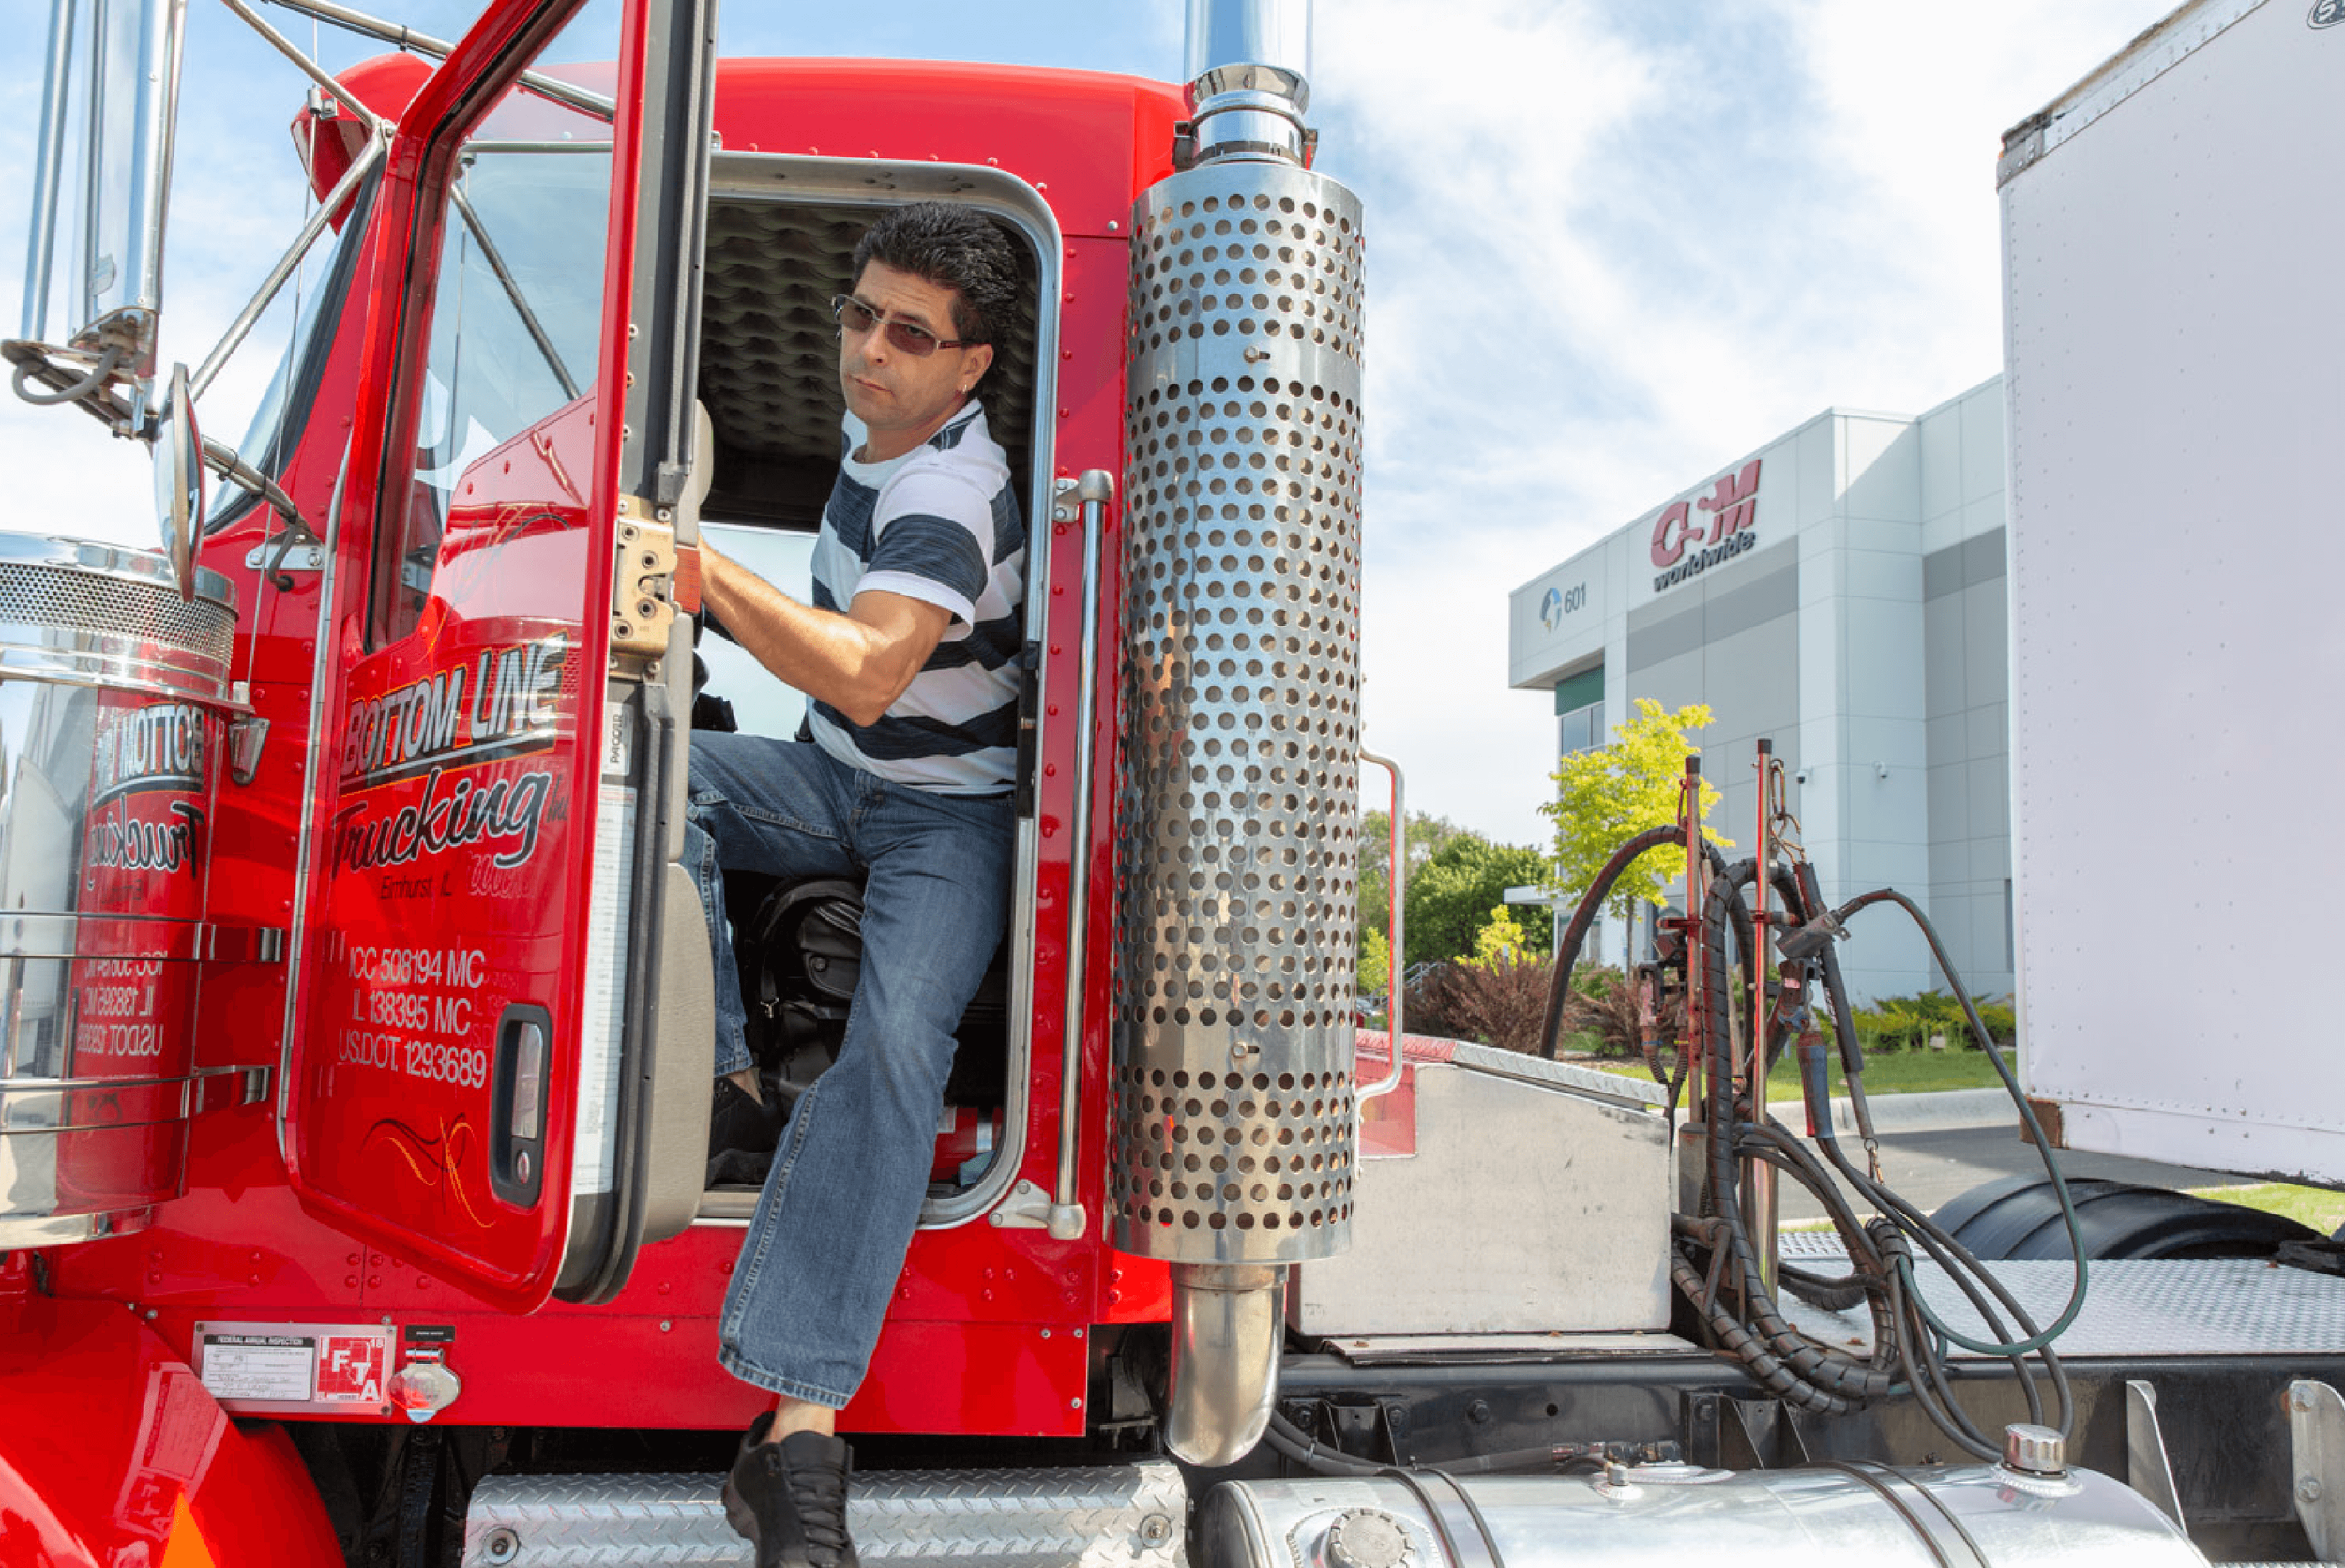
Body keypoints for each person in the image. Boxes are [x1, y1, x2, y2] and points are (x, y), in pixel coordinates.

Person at [684, 201, 1025, 1568]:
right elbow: (849, 712)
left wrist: (698, 569)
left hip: (948, 822)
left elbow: (871, 668)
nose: (869, 349)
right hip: (835, 778)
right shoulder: (877, 435)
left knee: (893, 1047)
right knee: (645, 782)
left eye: (910, 333)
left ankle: (798, 1430)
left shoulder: (950, 490)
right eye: (860, 314)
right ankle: (722, 1088)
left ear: (970, 367)